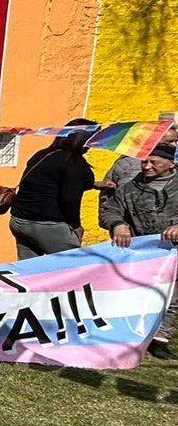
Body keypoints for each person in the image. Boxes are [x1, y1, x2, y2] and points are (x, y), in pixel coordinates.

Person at [100, 142, 178, 359]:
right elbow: (110, 209)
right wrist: (117, 223)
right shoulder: (131, 188)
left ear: (171, 163)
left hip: (174, 253)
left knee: (170, 297)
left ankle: (160, 340)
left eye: (154, 162)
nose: (146, 166)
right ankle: (129, 333)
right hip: (142, 252)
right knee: (135, 292)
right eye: (144, 161)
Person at [10, 131, 113, 259]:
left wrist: (95, 184)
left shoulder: (42, 154)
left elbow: (51, 181)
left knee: (30, 271)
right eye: (90, 141)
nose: (90, 146)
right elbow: (69, 198)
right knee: (73, 266)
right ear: (80, 140)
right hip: (45, 224)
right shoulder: (73, 161)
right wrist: (76, 226)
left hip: (19, 221)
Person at [101, 122, 178, 214]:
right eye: (169, 142)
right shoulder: (134, 165)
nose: (175, 145)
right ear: (153, 141)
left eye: (176, 141)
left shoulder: (169, 161)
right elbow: (134, 201)